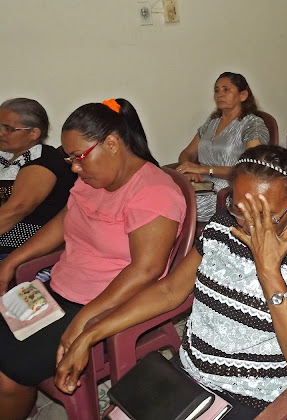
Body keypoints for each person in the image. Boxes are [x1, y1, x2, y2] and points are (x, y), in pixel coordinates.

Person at [54, 145, 287, 419]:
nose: (249, 225)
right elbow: (170, 290)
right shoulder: (222, 224)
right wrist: (90, 334)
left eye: (267, 216)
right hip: (188, 374)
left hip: (250, 394)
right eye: (239, 209)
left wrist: (269, 273)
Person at [0, 98, 186, 420]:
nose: (74, 167)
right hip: (55, 291)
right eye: (69, 158)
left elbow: (146, 269)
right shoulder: (92, 180)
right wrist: (12, 260)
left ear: (112, 144)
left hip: (103, 305)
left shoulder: (154, 193)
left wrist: (85, 320)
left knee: (8, 376)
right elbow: (64, 220)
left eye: (79, 157)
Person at [177, 72, 269, 222]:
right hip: (200, 185)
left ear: (243, 95)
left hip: (229, 192)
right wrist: (187, 169)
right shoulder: (212, 122)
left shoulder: (253, 124)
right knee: (162, 192)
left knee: (174, 205)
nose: (220, 94)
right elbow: (187, 152)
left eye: (226, 89)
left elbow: (250, 169)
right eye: (217, 90)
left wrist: (203, 169)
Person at [0, 98, 76, 255]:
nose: (1, 133)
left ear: (34, 133)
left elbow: (17, 210)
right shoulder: (5, 157)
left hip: (20, 248)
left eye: (8, 128)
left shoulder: (44, 159)